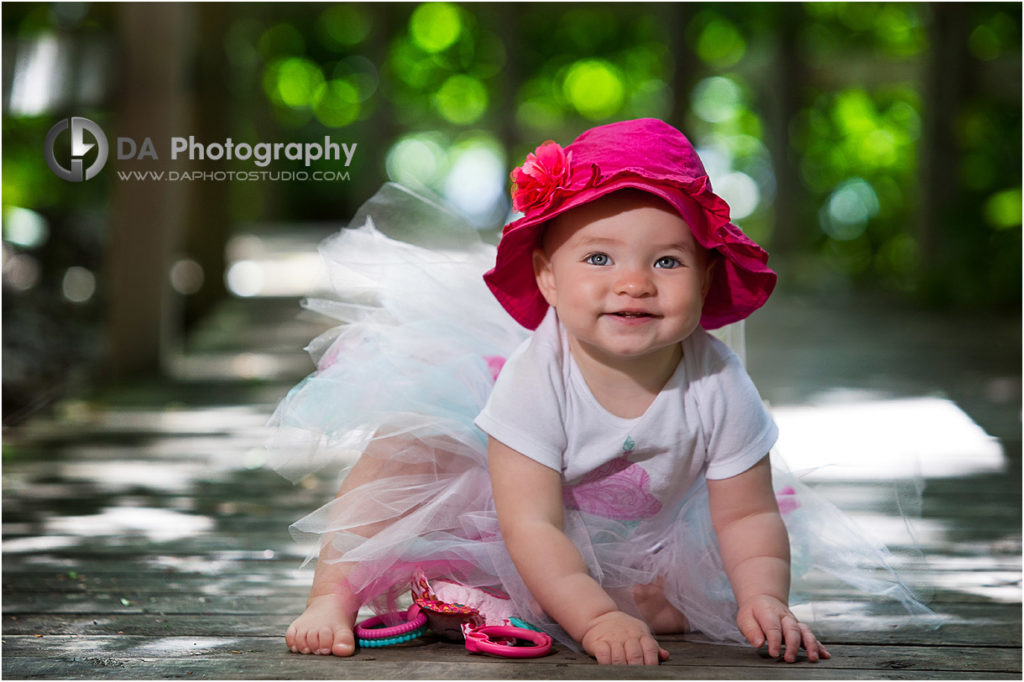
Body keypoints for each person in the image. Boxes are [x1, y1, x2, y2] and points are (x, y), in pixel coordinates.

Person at [270, 119, 931, 666]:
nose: (635, 283)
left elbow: (747, 517)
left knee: (676, 610)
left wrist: (765, 597)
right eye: (599, 257)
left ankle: (466, 597)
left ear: (706, 279)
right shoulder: (536, 378)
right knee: (408, 446)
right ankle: (334, 592)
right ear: (548, 279)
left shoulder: (718, 381)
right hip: (505, 503)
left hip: (625, 528)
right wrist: (593, 622)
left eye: (667, 261)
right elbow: (529, 524)